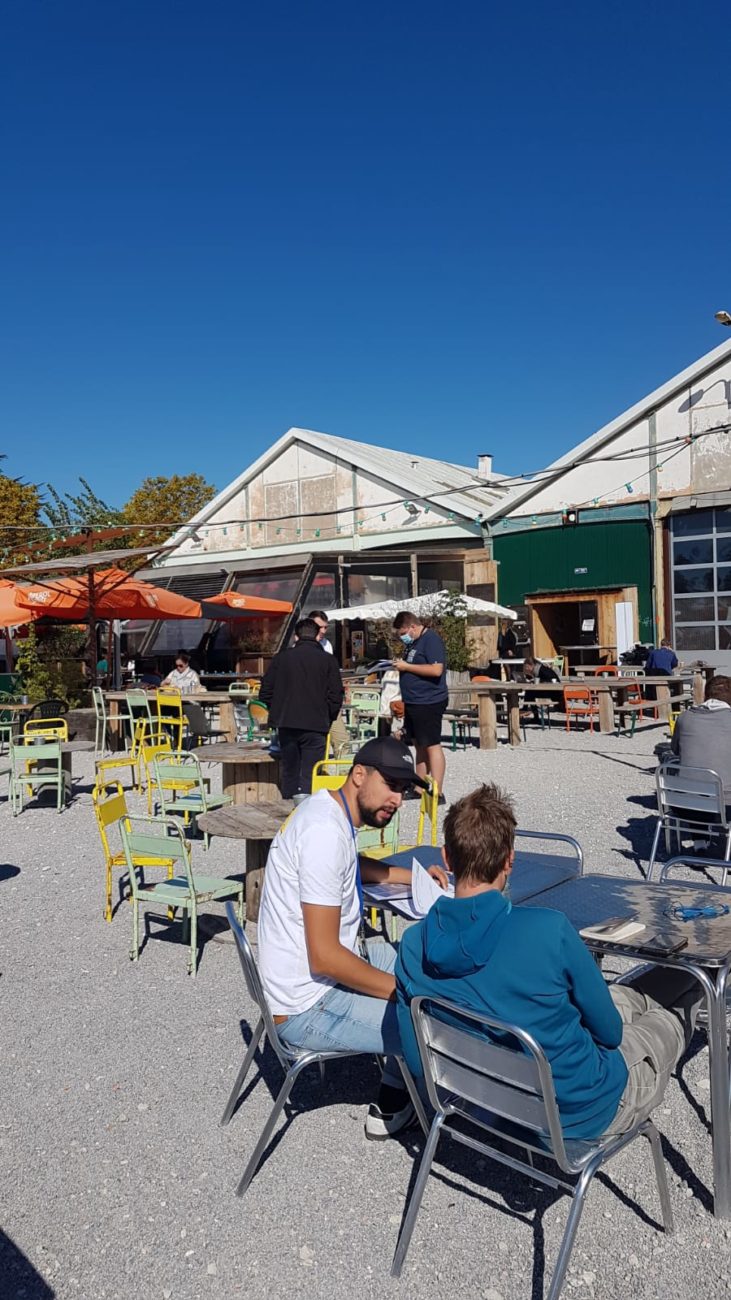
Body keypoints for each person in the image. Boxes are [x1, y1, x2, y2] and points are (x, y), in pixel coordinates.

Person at [395, 783, 701, 1140]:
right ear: (510, 859)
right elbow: (611, 1034)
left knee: (627, 996)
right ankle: (703, 981)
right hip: (587, 1109)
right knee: (676, 1004)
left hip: (499, 1100)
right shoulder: (548, 930)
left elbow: (418, 1061)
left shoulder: (413, 947)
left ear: (447, 858)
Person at [257, 737, 448, 1138]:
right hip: (307, 1004)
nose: (398, 798)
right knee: (429, 1018)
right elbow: (325, 958)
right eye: (392, 785)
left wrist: (410, 877)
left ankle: (398, 1085)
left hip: (308, 979)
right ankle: (399, 1104)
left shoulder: (326, 810)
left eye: (404, 789)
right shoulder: (324, 833)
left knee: (418, 957)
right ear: (359, 774)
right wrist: (402, 993)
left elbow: (350, 865)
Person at [259, 617, 344, 799]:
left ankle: (289, 813)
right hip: (316, 724)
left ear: (296, 637)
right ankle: (308, 816)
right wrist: (328, 717)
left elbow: (265, 692)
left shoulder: (282, 659)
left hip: (287, 723)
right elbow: (336, 695)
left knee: (290, 772)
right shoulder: (328, 660)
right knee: (311, 775)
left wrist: (278, 710)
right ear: (317, 637)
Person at [392, 610, 448, 802]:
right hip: (414, 701)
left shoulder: (431, 640)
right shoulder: (414, 643)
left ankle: (437, 791)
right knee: (419, 745)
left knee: (432, 744)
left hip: (429, 701)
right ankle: (419, 787)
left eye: (402, 633)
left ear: (412, 627)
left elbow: (436, 669)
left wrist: (406, 667)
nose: (402, 638)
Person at [670, 673, 731, 805]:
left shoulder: (684, 717)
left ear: (706, 695)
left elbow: (675, 750)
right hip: (725, 804)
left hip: (684, 802)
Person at [521, 654, 563, 719]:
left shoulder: (542, 670)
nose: (526, 669)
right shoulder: (538, 670)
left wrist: (538, 681)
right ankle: (529, 712)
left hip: (554, 692)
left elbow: (550, 680)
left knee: (530, 692)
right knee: (530, 692)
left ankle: (528, 711)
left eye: (527, 667)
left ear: (531, 665)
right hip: (549, 690)